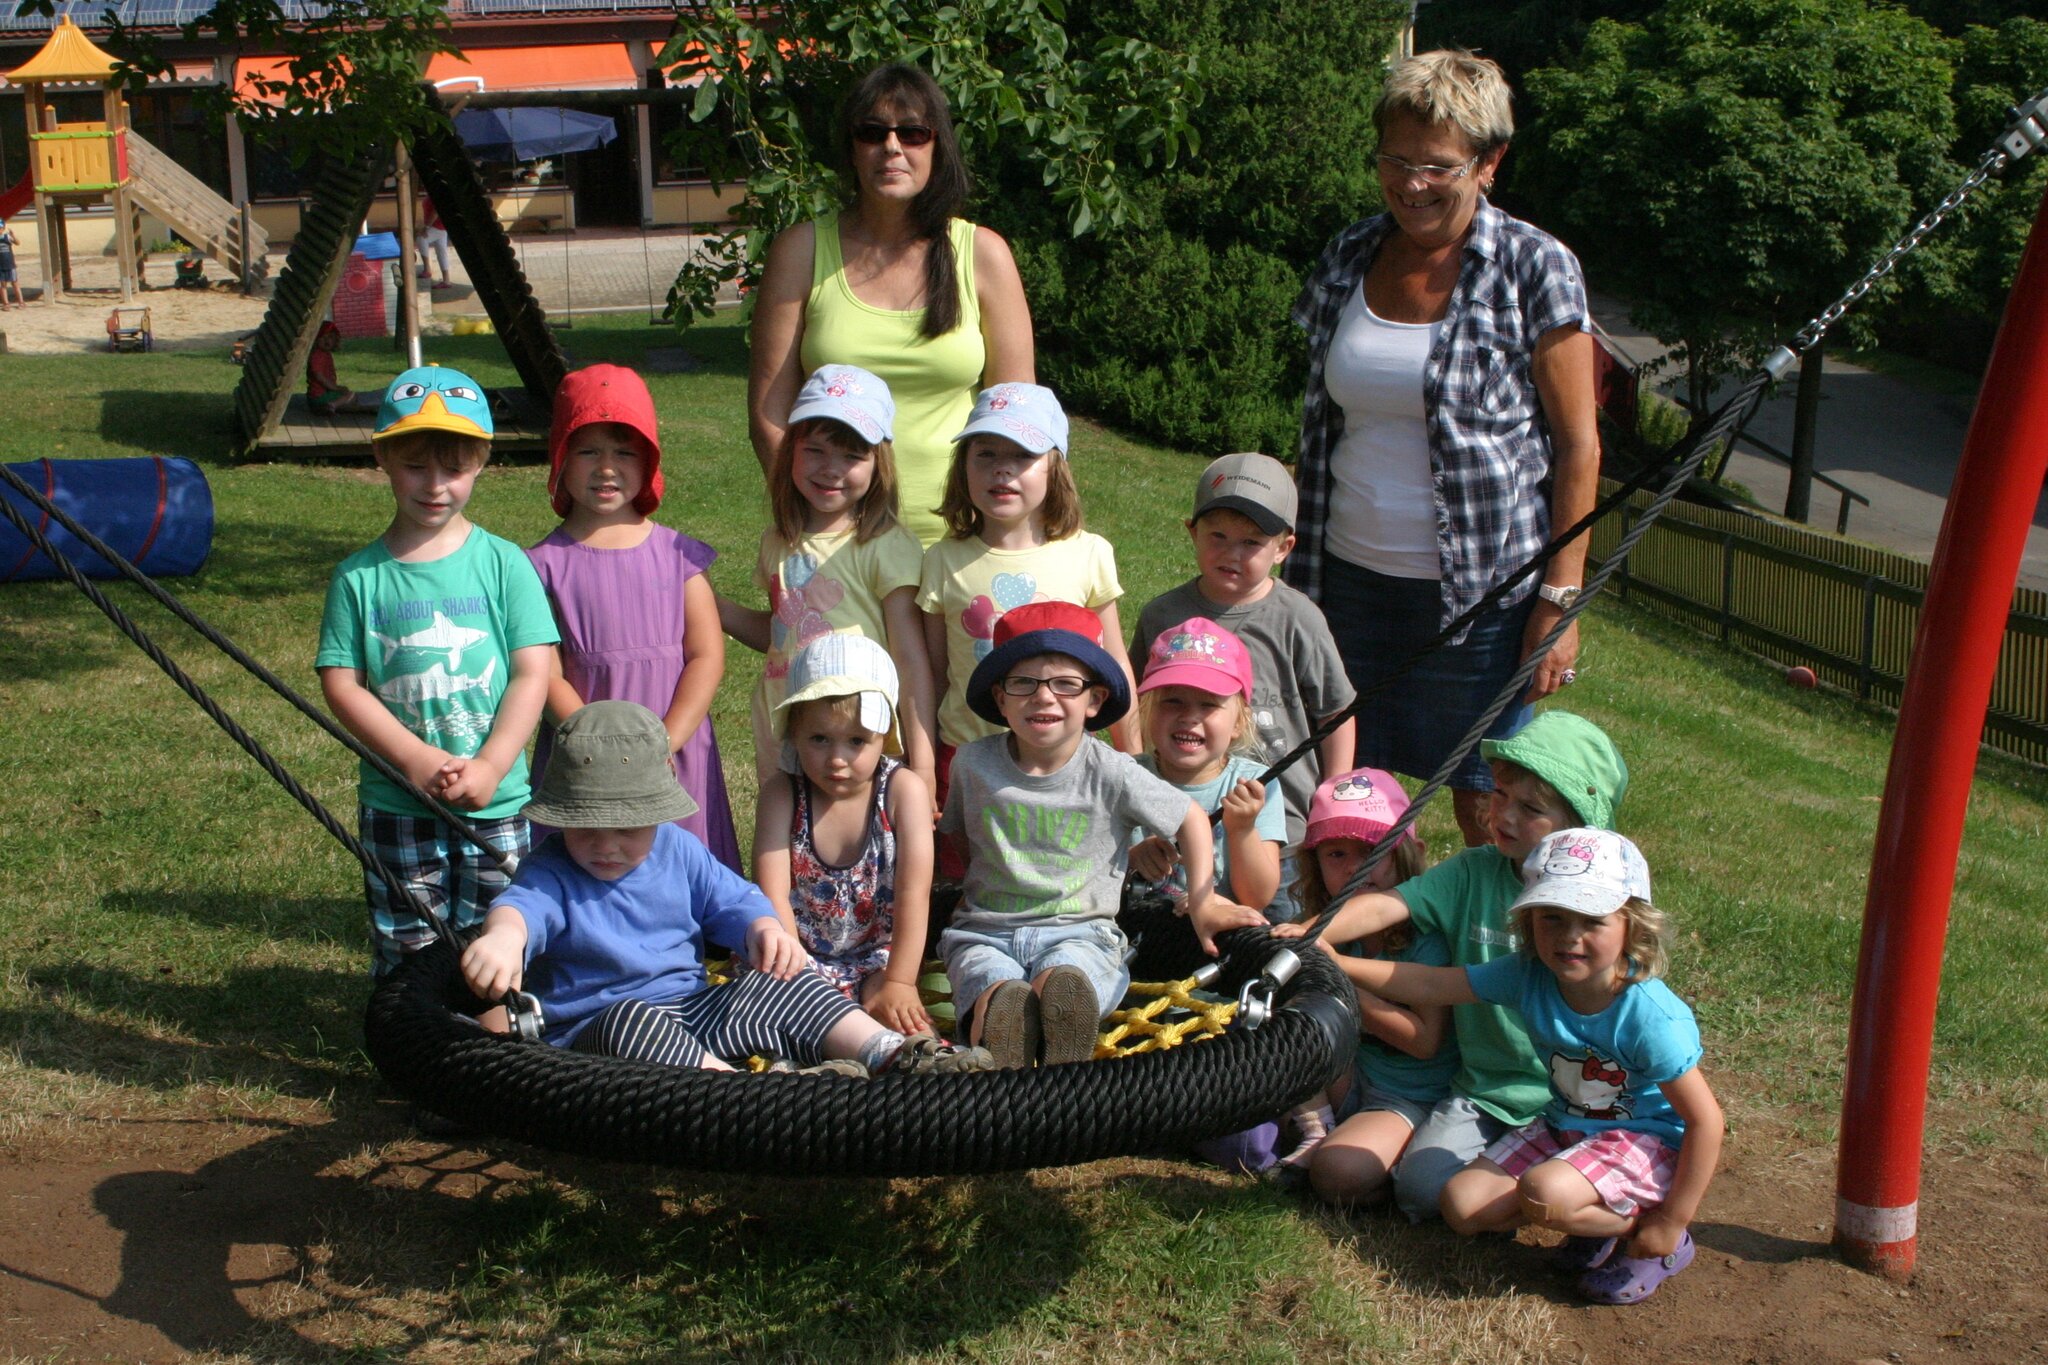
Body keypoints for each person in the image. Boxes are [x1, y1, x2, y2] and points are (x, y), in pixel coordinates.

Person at [1286, 48, 1599, 849]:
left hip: (1482, 600)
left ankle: (1488, 959)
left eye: (1438, 166)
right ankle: (1365, 955)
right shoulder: (1351, 253)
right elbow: (1323, 421)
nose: (1412, 184)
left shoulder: (1537, 267)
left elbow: (1577, 445)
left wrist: (1558, 604)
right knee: (1347, 789)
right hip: (1343, 581)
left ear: (1489, 163)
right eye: (1395, 160)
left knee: (1483, 800)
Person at [460, 701, 993, 1077]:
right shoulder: (552, 869)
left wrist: (762, 928)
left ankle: (896, 1055)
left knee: (788, 982)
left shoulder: (677, 849)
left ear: (656, 813)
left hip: (692, 1010)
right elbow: (519, 909)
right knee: (631, 1018)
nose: (607, 845)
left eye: (626, 828)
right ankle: (735, 1093)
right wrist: (504, 940)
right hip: (600, 1031)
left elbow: (734, 900)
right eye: (585, 827)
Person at [1336, 827, 1723, 1305]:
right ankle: (1591, 1217)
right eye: (1552, 919)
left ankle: (1650, 1236)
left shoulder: (1647, 1017)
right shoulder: (1529, 976)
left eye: (1592, 920)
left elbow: (1705, 1120)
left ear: (1632, 926)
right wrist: (1338, 963)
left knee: (1544, 1192)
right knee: (1460, 1205)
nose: (1569, 938)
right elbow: (1434, 985)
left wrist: (1673, 1220)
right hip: (1565, 1129)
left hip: (1643, 1141)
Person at [1275, 709, 1628, 1222]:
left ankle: (1572, 1194)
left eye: (1530, 808)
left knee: (1517, 1187)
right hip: (1484, 1087)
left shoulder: (1598, 905)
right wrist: (1316, 930)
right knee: (1420, 1192)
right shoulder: (1473, 870)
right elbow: (1387, 904)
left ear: (1581, 824)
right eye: (1501, 795)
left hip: (1573, 1087)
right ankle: (1493, 1182)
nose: (1504, 816)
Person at [937, 602, 1262, 1068]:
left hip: (1079, 930)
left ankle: (1062, 1019)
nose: (1043, 698)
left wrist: (1204, 899)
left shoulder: (1112, 770)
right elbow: (963, 839)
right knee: (988, 980)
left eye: (1066, 685)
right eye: (1023, 683)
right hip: (987, 930)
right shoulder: (973, 763)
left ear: (1094, 701)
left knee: (1070, 974)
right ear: (1000, 697)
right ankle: (1003, 1032)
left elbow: (1190, 817)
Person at [315, 363, 558, 974]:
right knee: (408, 948)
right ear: (383, 459)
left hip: (497, 801)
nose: (435, 484)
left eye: (454, 467)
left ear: (480, 462)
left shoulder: (506, 564)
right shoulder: (358, 577)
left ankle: (493, 1052)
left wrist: (493, 764)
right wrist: (414, 759)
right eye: (415, 464)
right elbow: (342, 683)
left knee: (499, 943)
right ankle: (415, 1049)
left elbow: (534, 672)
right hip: (397, 804)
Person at [747, 61, 1035, 547]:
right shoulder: (801, 251)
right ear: (852, 149)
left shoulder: (983, 254)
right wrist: (815, 520)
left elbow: (1016, 416)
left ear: (937, 146)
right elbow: (770, 415)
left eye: (914, 132)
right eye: (872, 132)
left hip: (963, 540)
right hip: (841, 542)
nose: (892, 147)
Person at [526, 364, 741, 870]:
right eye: (588, 450)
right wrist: (593, 743)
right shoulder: (540, 567)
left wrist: (667, 739)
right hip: (584, 750)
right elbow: (544, 670)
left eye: (624, 451)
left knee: (679, 859)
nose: (606, 467)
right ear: (560, 458)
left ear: (649, 461)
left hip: (673, 744)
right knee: (589, 857)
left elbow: (706, 655)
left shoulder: (678, 556)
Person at [1131, 452, 1356, 919]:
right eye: (1218, 536)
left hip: (1283, 828)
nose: (1232, 553)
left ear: (1284, 548)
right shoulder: (1162, 616)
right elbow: (1138, 704)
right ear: (1191, 531)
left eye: (1251, 541)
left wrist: (1330, 800)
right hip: (1173, 825)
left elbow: (1336, 712)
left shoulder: (1298, 618)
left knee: (1270, 934)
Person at [919, 382, 1141, 829]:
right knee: (965, 882)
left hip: (1067, 760)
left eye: (1022, 455)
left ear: (1055, 467)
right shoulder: (942, 560)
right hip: (969, 756)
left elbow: (1114, 660)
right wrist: (923, 767)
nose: (1002, 470)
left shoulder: (1088, 553)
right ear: (963, 465)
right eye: (985, 454)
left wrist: (1132, 753)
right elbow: (934, 674)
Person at [719, 364, 937, 797]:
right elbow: (784, 631)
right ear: (791, 451)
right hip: (788, 727)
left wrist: (924, 763)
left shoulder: (886, 546)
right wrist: (713, 606)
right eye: (815, 449)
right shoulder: (779, 541)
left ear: (880, 464)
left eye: (852, 456)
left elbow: (911, 660)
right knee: (790, 842)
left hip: (855, 739)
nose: (830, 468)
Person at [754, 633, 936, 1035]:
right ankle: (828, 1073)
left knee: (897, 1015)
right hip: (798, 956)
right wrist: (798, 973)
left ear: (884, 736)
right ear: (795, 733)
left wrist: (901, 983)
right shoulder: (782, 794)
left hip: (881, 957)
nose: (837, 759)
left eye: (857, 741)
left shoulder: (903, 792)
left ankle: (929, 1066)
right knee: (782, 1018)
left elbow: (913, 894)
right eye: (819, 739)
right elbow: (772, 897)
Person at [1293, 768, 1450, 1202]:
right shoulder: (1327, 928)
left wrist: (1341, 983)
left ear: (1409, 853)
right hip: (1344, 1075)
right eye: (1336, 854)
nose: (1355, 869)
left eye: (1371, 851)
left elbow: (1424, 1042)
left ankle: (1385, 1166)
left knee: (1337, 1172)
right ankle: (1317, 1126)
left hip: (1406, 1097)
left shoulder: (1427, 937)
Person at [1126, 618, 1285, 915]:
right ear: (1147, 710)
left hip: (1219, 944)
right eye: (1172, 701)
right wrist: (1131, 859)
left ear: (1238, 722)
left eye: (1209, 704)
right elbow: (1082, 878)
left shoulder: (1253, 784)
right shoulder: (1123, 776)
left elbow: (1257, 898)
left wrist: (1243, 829)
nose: (1189, 716)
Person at [306, 321, 379, 416]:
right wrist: (335, 388)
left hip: (322, 395)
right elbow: (319, 376)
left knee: (349, 398)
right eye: (323, 337)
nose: (327, 341)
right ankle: (330, 406)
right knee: (350, 395)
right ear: (316, 339)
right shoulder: (317, 355)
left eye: (330, 337)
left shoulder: (325, 354)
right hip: (319, 396)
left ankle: (364, 409)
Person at [417, 195, 452, 290]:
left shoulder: (436, 195)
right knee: (442, 253)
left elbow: (435, 212)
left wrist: (426, 227)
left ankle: (427, 269)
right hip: (441, 227)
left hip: (437, 227)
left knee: (421, 239)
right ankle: (446, 280)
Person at [0, 219, 23, 309]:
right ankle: (6, 303)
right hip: (0, 266)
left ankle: (21, 302)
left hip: (10, 264)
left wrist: (13, 236)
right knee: (3, 285)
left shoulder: (7, 237)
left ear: (3, 228)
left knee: (15, 283)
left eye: (0, 228)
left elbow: (17, 243)